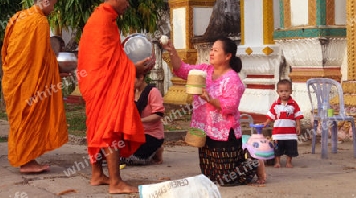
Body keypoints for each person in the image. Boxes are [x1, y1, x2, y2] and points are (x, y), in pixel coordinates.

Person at [77, 0, 154, 194]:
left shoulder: (100, 18)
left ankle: (96, 174)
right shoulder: (103, 21)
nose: (128, 5)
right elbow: (107, 62)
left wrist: (132, 67)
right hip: (102, 85)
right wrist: (134, 68)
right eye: (127, 0)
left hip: (95, 84)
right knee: (109, 131)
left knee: (97, 128)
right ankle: (115, 182)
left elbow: (110, 57)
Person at [162, 37, 266, 185]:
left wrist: (209, 99)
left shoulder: (232, 79)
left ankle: (255, 164)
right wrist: (172, 52)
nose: (211, 53)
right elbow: (182, 70)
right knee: (210, 177)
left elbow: (230, 106)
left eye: (216, 50)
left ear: (228, 56)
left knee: (226, 180)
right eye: (211, 49)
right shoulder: (204, 70)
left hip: (225, 132)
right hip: (205, 129)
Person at [1, 0, 68, 173]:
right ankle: (26, 162)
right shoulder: (39, 22)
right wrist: (54, 72)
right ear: (46, 1)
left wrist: (54, 73)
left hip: (14, 78)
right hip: (30, 81)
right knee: (30, 117)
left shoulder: (17, 17)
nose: (53, 9)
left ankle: (27, 158)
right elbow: (41, 59)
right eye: (53, 4)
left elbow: (6, 50)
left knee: (21, 119)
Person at [122, 74, 165, 165]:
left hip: (151, 134)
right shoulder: (131, 92)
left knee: (133, 160)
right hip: (134, 133)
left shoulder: (153, 92)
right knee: (112, 154)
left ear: (141, 77)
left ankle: (157, 149)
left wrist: (139, 121)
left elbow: (158, 115)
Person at [264, 79, 303, 168]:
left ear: (290, 91)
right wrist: (266, 123)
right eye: (281, 91)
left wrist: (298, 126)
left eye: (286, 91)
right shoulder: (275, 104)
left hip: (290, 133)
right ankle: (277, 162)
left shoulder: (293, 104)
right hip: (278, 133)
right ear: (277, 92)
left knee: (291, 148)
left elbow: (297, 116)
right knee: (278, 148)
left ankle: (289, 162)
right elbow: (271, 115)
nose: (284, 93)